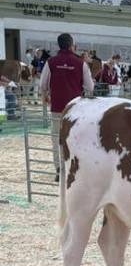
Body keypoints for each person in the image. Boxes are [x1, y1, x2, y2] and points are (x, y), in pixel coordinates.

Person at [39, 32, 94, 181]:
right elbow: (90, 87)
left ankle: (59, 170)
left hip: (57, 109)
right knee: (76, 138)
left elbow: (42, 84)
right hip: (76, 110)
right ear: (72, 45)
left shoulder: (51, 62)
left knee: (57, 140)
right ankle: (74, 169)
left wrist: (45, 96)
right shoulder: (80, 63)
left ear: (59, 45)